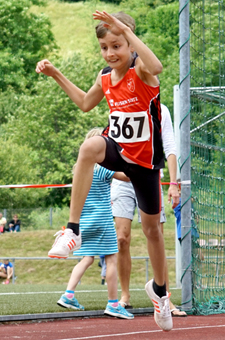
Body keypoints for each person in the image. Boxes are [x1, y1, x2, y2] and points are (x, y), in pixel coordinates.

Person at [36, 10, 180, 331]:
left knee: (152, 231)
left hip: (144, 163)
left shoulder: (142, 70)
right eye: (105, 47)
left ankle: (159, 292)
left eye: (117, 45)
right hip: (119, 153)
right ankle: (72, 230)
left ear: (129, 43)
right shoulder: (105, 77)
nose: (110, 53)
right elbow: (86, 104)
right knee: (89, 146)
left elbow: (157, 66)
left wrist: (126, 33)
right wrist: (57, 74)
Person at [111, 103, 186, 316]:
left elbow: (170, 146)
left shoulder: (160, 109)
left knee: (156, 235)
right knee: (122, 238)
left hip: (149, 177)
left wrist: (173, 183)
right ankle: (124, 296)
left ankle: (165, 298)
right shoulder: (122, 102)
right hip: (123, 180)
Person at [56, 128, 133, 319]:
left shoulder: (80, 168)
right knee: (111, 258)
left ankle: (68, 294)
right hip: (103, 220)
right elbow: (127, 177)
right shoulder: (104, 168)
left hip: (84, 221)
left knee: (87, 258)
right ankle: (113, 303)